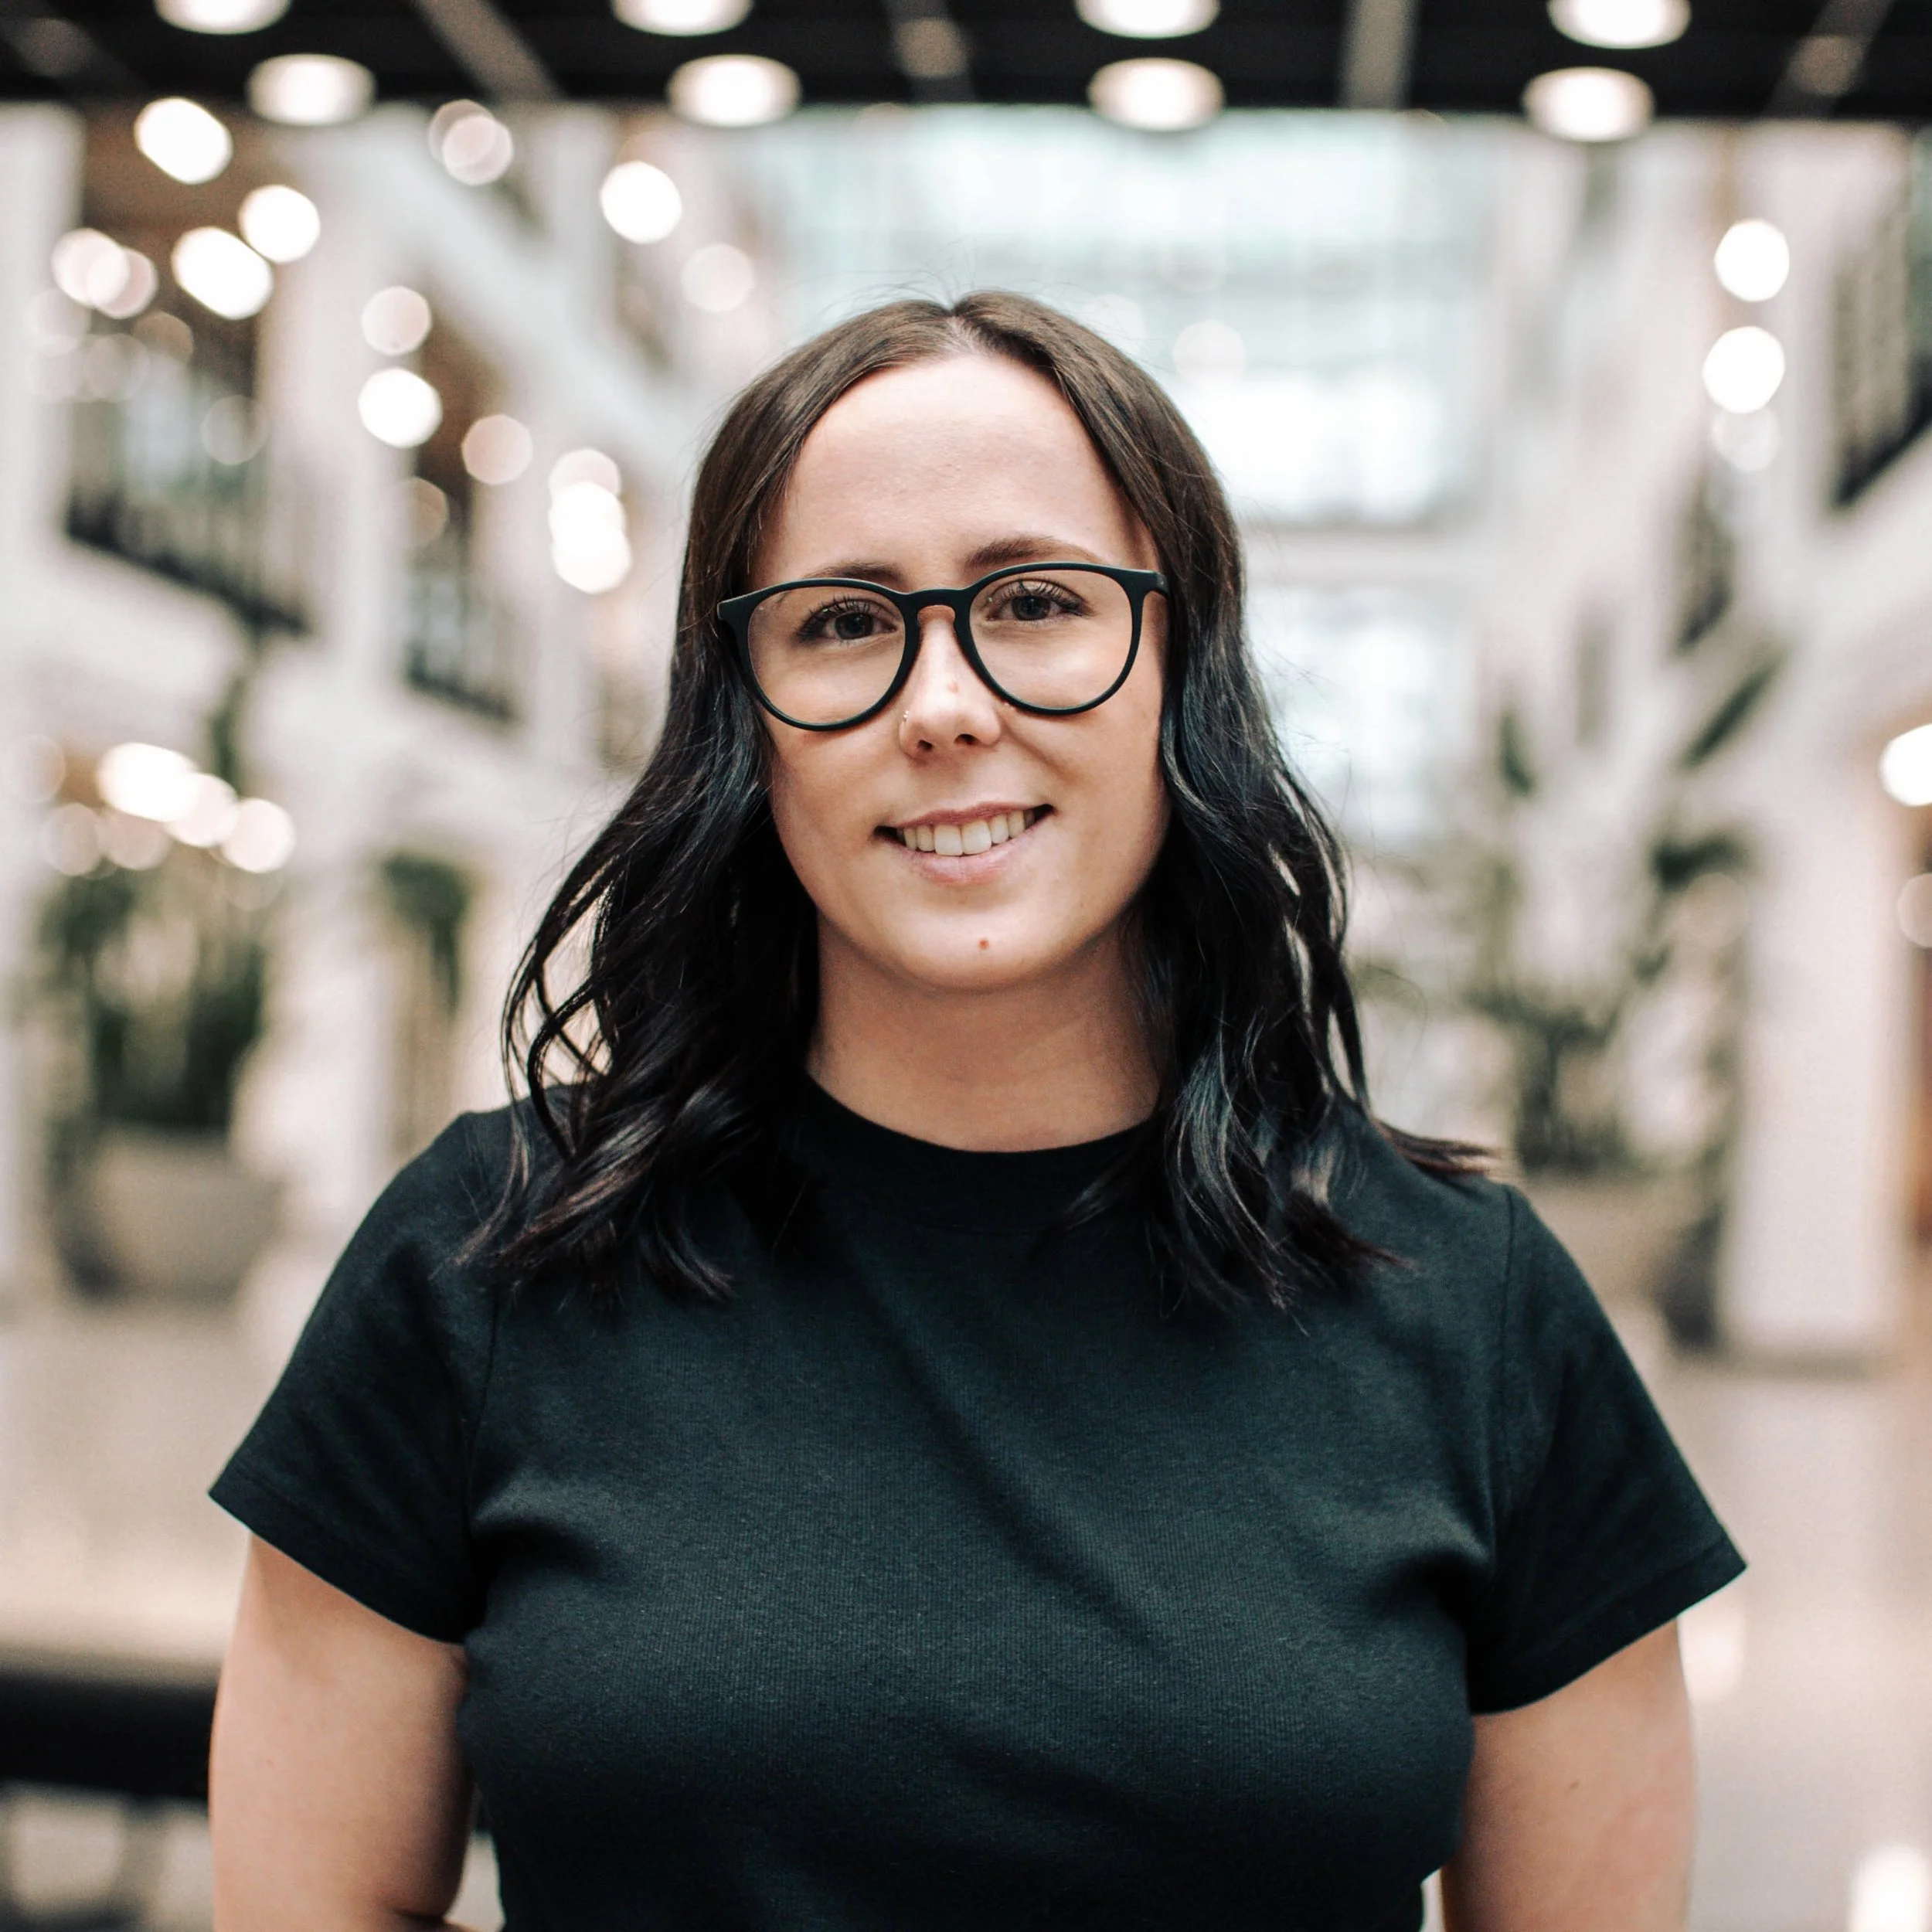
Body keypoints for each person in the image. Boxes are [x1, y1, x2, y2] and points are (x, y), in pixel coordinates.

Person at [207, 291, 1743, 1932]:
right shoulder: (487, 1250)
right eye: (844, 621)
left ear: (1181, 673)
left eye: (1032, 601)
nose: (941, 702)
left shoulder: (1471, 1301)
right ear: (745, 719)